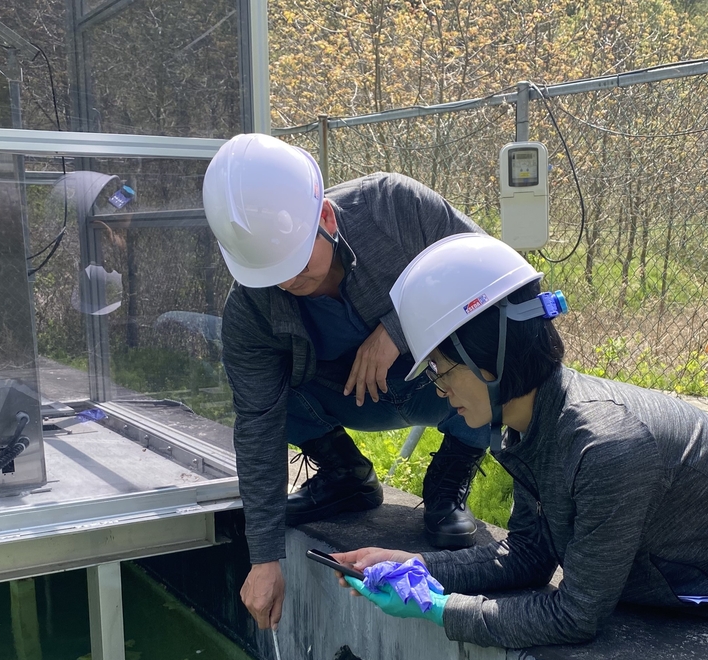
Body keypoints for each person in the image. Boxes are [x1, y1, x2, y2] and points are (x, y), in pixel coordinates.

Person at [332, 233, 708, 653]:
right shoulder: (527, 423)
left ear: (491, 354)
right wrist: (414, 567)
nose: (441, 390)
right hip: (692, 580)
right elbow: (531, 555)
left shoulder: (606, 446)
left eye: (443, 370)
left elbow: (576, 615)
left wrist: (442, 610)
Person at [204, 134, 492, 630]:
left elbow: (491, 274)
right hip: (346, 399)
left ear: (328, 220)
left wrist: (398, 329)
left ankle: (449, 482)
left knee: (495, 352)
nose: (286, 283)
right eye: (269, 273)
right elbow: (257, 425)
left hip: (435, 383)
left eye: (295, 263)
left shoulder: (393, 206)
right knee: (261, 396)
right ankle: (347, 477)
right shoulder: (249, 308)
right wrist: (264, 557)